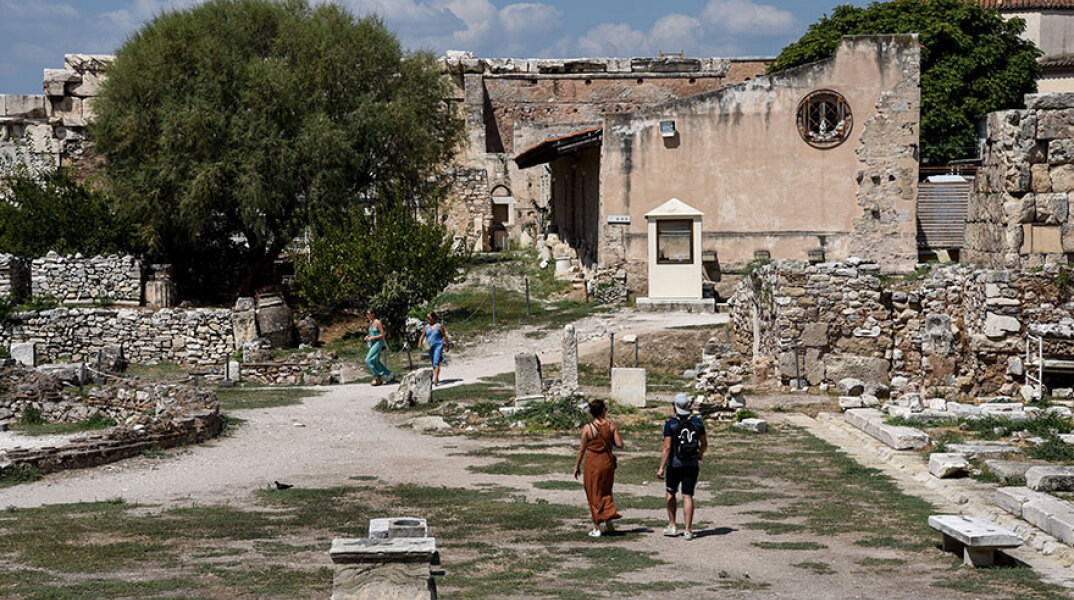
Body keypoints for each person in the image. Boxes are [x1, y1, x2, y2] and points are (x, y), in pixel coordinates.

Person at [657, 393, 708, 540]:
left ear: (675, 407)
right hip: (692, 463)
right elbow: (704, 443)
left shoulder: (670, 423)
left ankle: (672, 525)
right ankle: (688, 529)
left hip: (674, 463)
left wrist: (661, 467)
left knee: (671, 492)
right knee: (687, 495)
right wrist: (700, 454)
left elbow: (667, 447)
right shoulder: (698, 422)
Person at [573, 399, 624, 537]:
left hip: (593, 462)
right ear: (603, 411)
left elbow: (581, 450)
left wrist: (577, 466)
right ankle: (608, 519)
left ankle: (597, 526)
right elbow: (620, 444)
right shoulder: (611, 425)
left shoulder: (588, 428)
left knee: (593, 492)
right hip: (607, 462)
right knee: (606, 490)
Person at [416, 311, 451, 385]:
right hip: (430, 347)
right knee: (433, 362)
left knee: (436, 361)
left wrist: (447, 345)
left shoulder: (439, 326)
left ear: (433, 318)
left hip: (438, 346)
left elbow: (444, 336)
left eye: (429, 317)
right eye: (427, 318)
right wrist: (419, 343)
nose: (428, 319)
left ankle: (435, 378)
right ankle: (436, 377)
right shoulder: (426, 327)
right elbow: (422, 335)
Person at [364, 308, 392, 386]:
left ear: (373, 314)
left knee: (368, 360)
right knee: (375, 361)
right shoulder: (371, 322)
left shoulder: (377, 322)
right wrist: (368, 337)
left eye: (368, 314)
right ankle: (386, 374)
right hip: (372, 343)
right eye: (366, 314)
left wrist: (372, 338)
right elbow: (372, 333)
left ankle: (376, 376)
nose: (367, 315)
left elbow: (382, 334)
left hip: (377, 343)